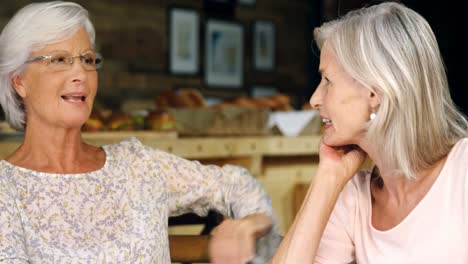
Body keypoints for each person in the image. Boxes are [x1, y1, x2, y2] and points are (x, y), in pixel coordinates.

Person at [0, 2, 280, 263]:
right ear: (19, 81)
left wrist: (248, 225)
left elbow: (240, 185)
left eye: (87, 60)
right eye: (59, 60)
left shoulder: (138, 166)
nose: (80, 74)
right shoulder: (6, 190)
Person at [270, 2, 468, 263]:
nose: (315, 98)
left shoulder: (462, 171)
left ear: (374, 91)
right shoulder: (353, 197)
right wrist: (328, 177)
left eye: (328, 81)